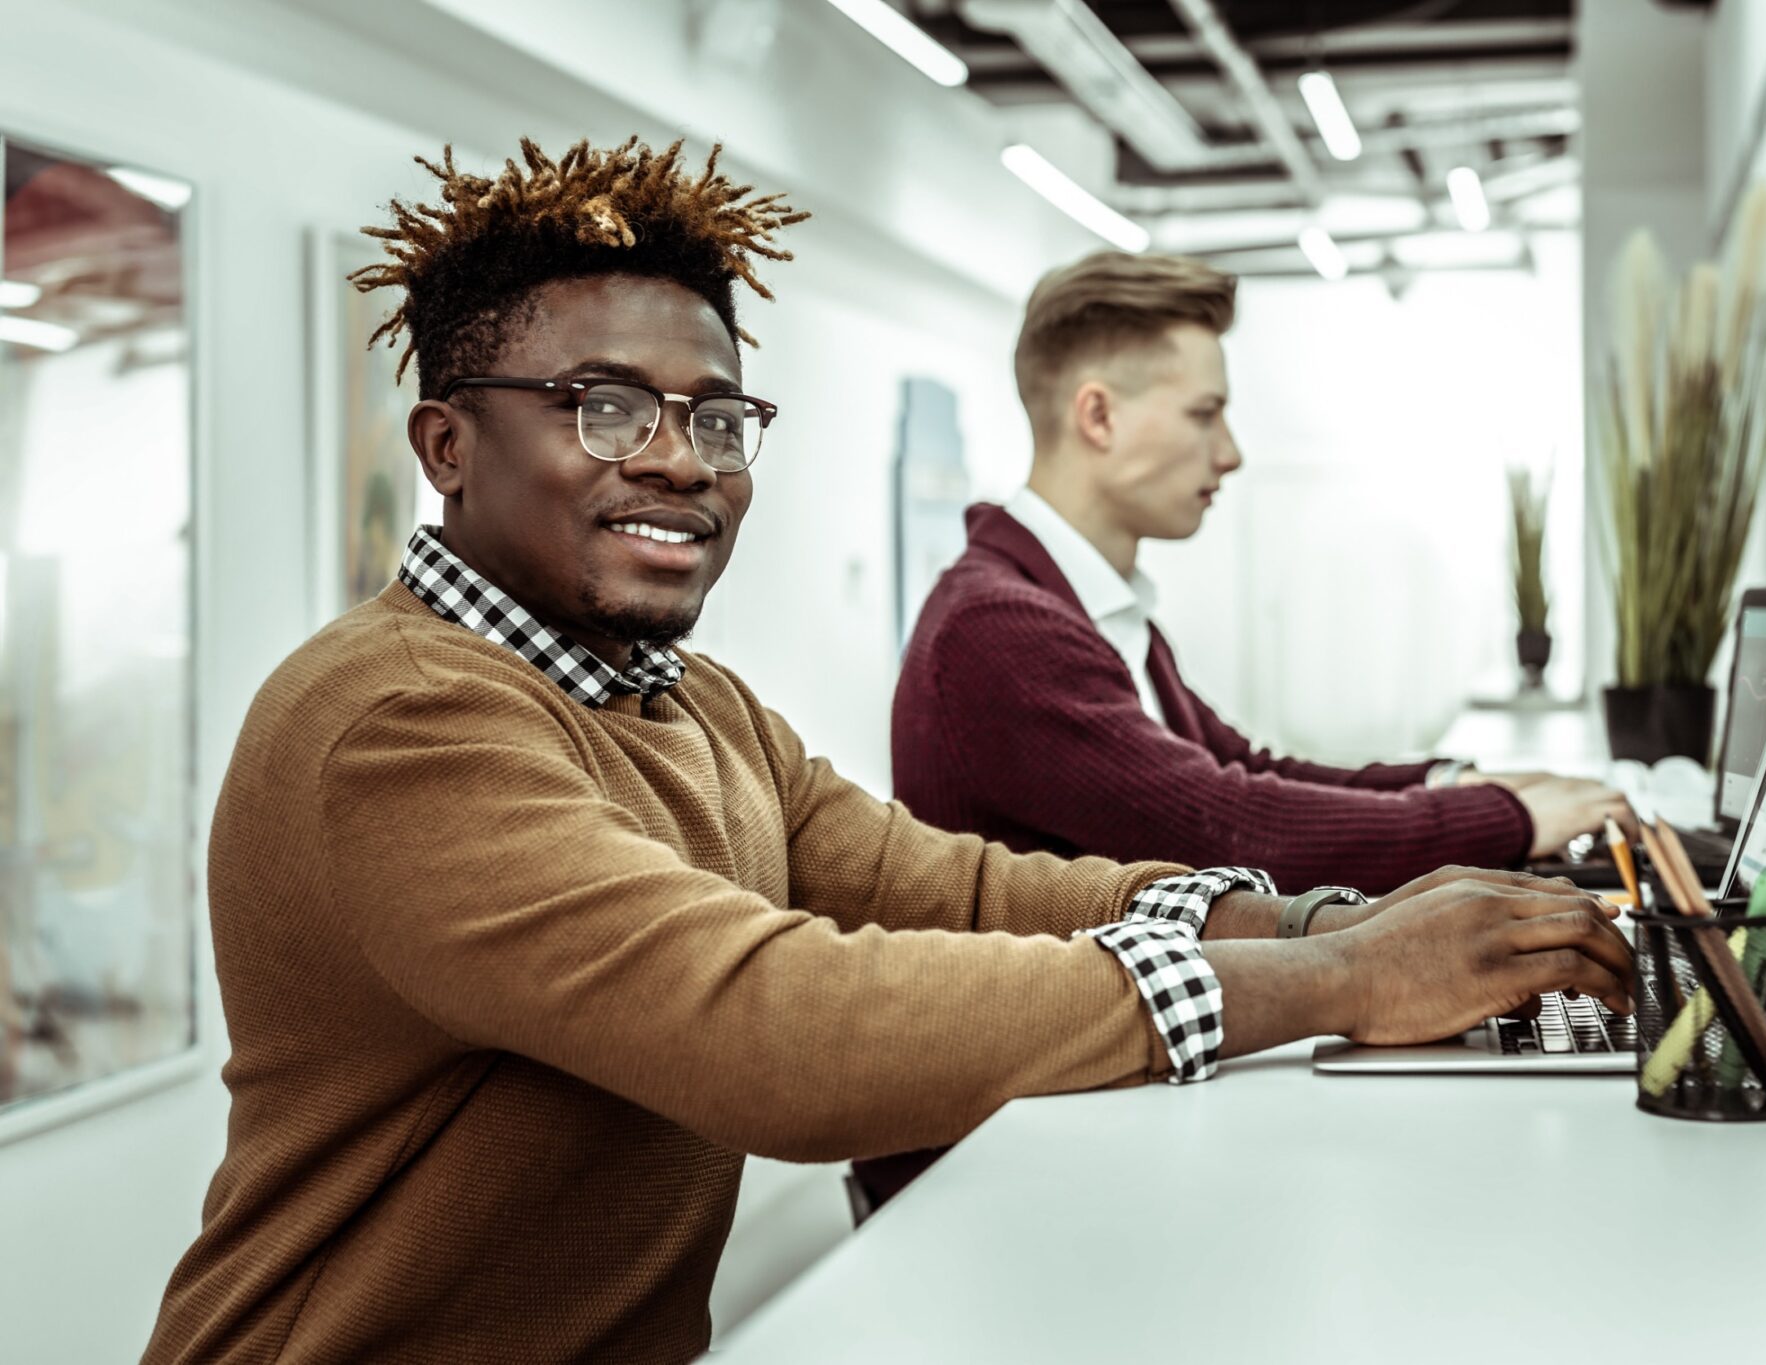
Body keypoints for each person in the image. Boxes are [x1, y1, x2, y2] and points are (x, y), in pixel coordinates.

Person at [141, 139, 1634, 1364]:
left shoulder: (692, 705)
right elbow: (763, 1023)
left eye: (718, 417)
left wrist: (1327, 921)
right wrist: (1340, 978)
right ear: (448, 447)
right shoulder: (400, 721)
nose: (681, 458)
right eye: (605, 408)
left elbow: (962, 891)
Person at [893, 250, 1632, 892]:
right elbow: (1223, 826)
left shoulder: (1086, 610)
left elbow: (1241, 767)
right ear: (1099, 417)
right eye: (1204, 413)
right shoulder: (997, 627)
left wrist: (1453, 785)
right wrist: (1505, 818)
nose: (1231, 452)